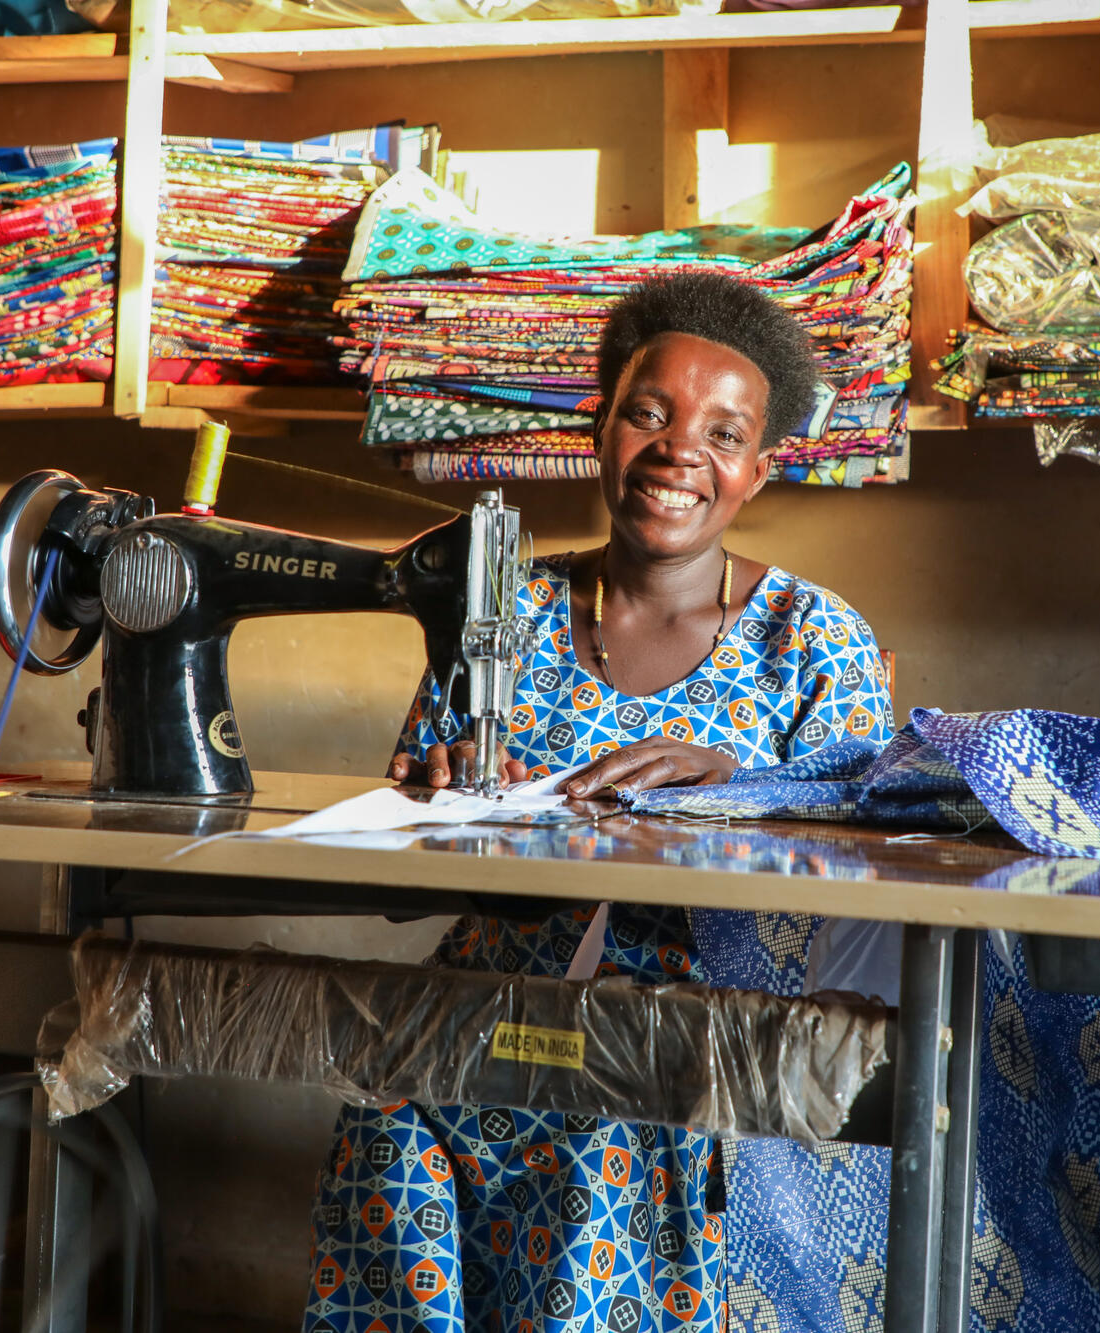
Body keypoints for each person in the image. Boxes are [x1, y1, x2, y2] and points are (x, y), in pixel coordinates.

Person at [302, 272, 894, 1333]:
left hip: (695, 1049)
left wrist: (740, 788)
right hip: (484, 1022)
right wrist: (434, 813)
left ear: (758, 471)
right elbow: (398, 875)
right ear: (598, 428)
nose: (678, 452)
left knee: (596, 1148)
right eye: (648, 414)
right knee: (384, 1116)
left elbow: (876, 863)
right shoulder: (503, 614)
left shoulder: (810, 639)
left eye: (722, 433)